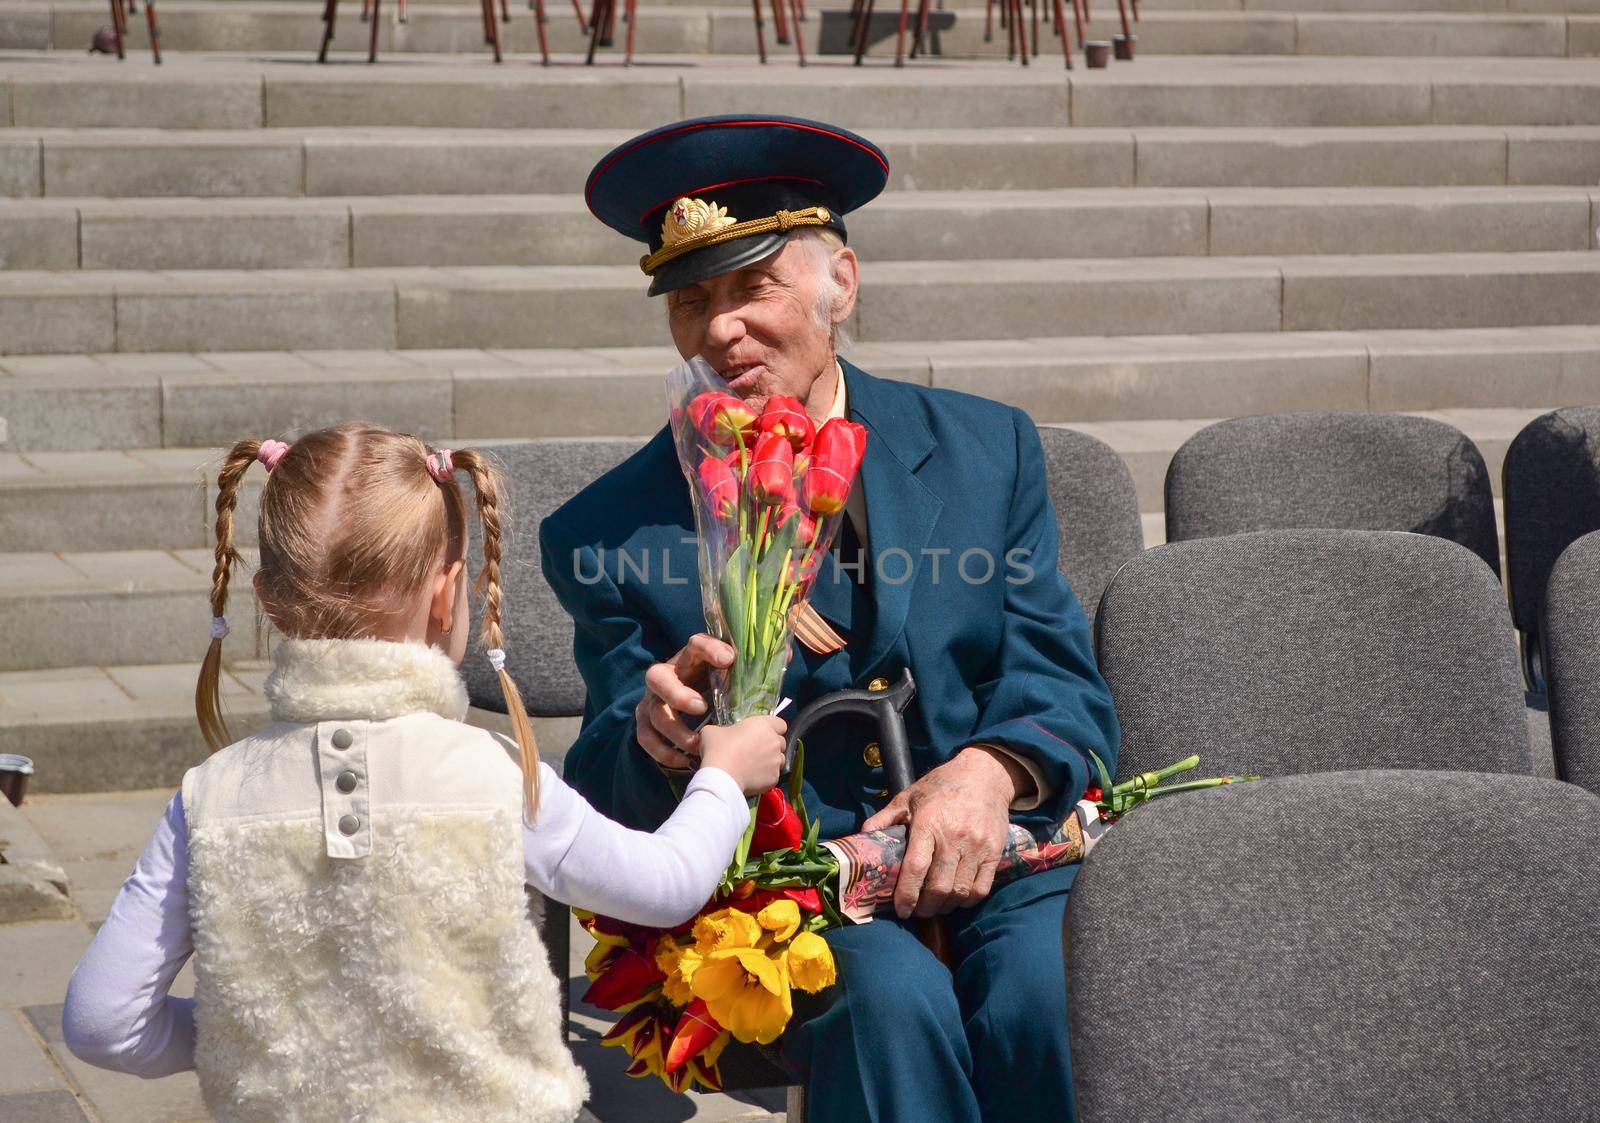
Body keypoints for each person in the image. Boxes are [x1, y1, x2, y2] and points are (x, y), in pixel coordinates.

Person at [544, 116, 1121, 1121]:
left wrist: (990, 771)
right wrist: (657, 739)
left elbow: (1058, 678)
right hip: (780, 900)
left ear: (839, 286)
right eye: (690, 300)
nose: (719, 330)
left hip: (997, 858)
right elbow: (605, 787)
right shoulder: (607, 530)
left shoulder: (990, 450)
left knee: (1047, 992)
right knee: (891, 1003)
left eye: (751, 286)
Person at [60, 422, 788, 1121]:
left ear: (271, 606)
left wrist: (261, 1036)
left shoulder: (213, 794)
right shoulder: (491, 773)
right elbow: (663, 887)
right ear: (447, 593)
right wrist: (722, 775)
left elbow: (101, 1020)